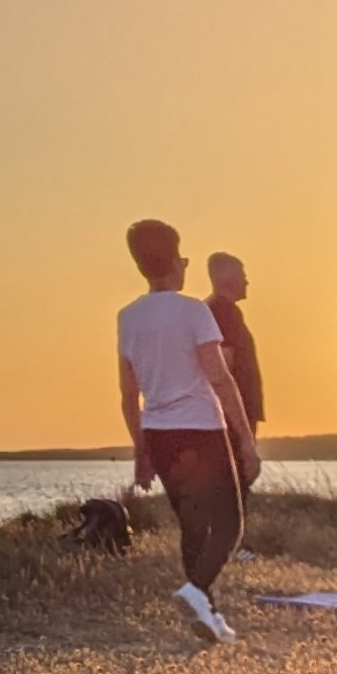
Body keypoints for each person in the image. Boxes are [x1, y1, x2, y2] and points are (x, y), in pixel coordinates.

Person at [116, 220, 257, 645]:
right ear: (176, 261)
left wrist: (141, 453)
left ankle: (208, 616)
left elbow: (128, 396)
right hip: (201, 430)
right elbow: (221, 379)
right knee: (229, 526)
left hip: (160, 435)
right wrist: (246, 441)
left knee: (193, 528)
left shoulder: (128, 317)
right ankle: (196, 590)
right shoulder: (194, 310)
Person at [202, 254, 265, 502]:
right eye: (243, 275)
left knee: (229, 489)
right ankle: (232, 541)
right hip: (231, 417)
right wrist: (237, 424)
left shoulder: (212, 310)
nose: (247, 282)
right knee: (235, 488)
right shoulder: (224, 312)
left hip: (226, 416)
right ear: (229, 278)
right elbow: (222, 366)